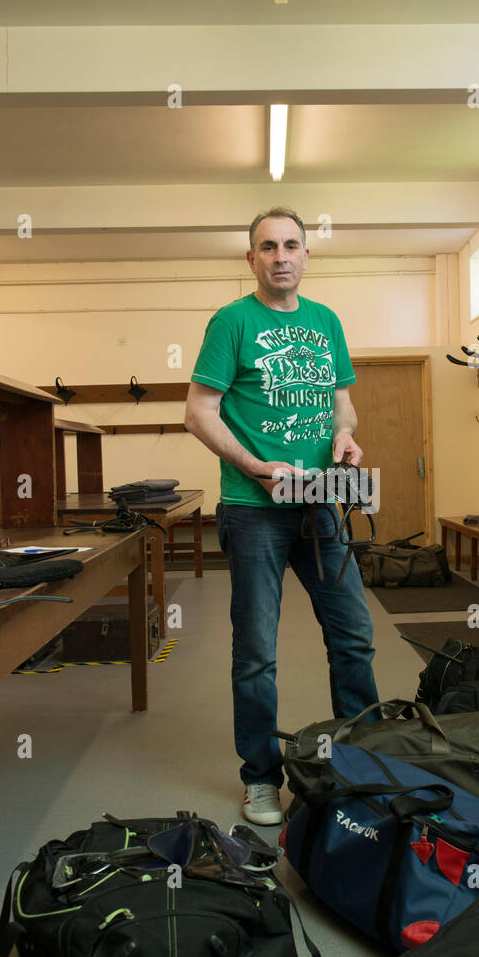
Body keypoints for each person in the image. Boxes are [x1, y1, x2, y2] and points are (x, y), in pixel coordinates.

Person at [185, 207, 380, 826]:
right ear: (252, 259)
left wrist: (345, 436)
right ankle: (261, 778)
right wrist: (254, 466)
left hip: (319, 504)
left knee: (353, 637)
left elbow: (342, 402)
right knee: (256, 654)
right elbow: (198, 412)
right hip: (254, 512)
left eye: (291, 245)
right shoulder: (232, 322)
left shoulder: (326, 321)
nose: (281, 256)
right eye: (268, 247)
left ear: (306, 255)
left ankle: (363, 764)